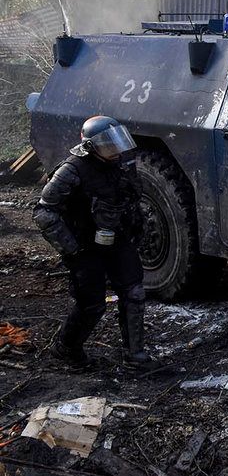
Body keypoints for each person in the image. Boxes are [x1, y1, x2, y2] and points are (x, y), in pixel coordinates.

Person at [33, 115, 151, 368]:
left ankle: (135, 355)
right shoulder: (71, 170)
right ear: (90, 146)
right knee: (92, 305)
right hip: (85, 246)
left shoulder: (122, 165)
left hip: (117, 238)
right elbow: (45, 212)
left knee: (134, 293)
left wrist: (135, 227)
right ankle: (66, 349)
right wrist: (73, 249)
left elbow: (130, 199)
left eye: (116, 142)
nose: (115, 149)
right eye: (108, 145)